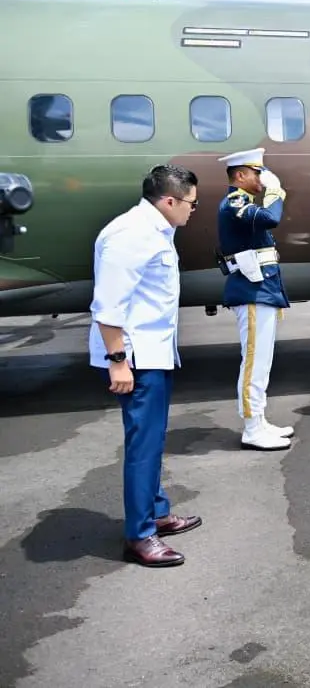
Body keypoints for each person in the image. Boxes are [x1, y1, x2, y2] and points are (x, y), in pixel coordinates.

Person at [88, 163, 202, 568]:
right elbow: (108, 305)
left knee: (153, 439)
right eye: (191, 203)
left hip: (154, 354)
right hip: (136, 359)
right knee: (144, 446)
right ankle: (140, 535)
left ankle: (157, 512)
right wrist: (118, 361)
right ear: (169, 200)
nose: (193, 210)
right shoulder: (131, 234)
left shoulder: (155, 230)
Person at [216, 147, 293, 452]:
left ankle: (259, 421)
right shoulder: (235, 202)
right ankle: (251, 428)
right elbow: (271, 218)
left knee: (262, 362)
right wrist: (275, 190)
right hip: (251, 291)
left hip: (262, 289)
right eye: (257, 173)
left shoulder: (245, 202)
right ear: (240, 175)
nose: (262, 178)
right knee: (254, 362)